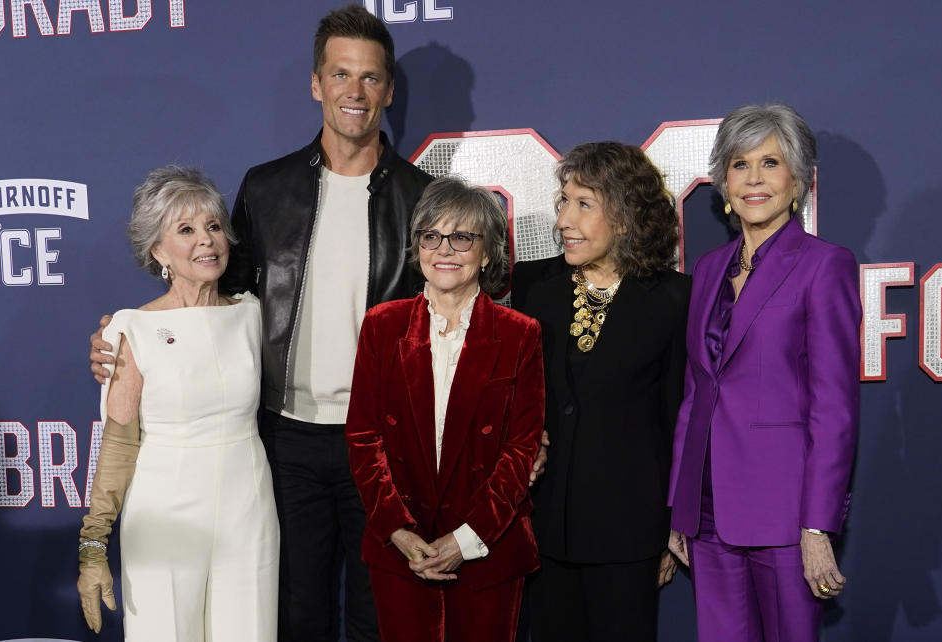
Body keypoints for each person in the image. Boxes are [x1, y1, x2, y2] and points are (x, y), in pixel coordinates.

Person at [90, 7, 431, 640]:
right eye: (339, 75)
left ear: (387, 89)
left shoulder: (421, 199)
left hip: (379, 442)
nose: (354, 93)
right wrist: (124, 338)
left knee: (379, 616)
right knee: (290, 616)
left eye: (370, 78)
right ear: (315, 84)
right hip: (285, 442)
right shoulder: (268, 189)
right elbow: (217, 298)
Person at [666, 103, 861, 642]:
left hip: (783, 513)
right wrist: (681, 508)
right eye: (739, 164)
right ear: (723, 183)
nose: (754, 179)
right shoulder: (707, 269)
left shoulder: (825, 265)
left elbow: (835, 408)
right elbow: (695, 394)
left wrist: (817, 525)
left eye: (770, 163)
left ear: (797, 179)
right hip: (706, 510)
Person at [76, 166, 278, 640]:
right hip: (163, 517)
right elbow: (120, 446)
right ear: (158, 251)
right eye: (185, 230)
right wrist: (93, 546)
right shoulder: (130, 330)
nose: (206, 241)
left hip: (249, 511)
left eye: (212, 227)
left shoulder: (252, 314)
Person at [346, 176, 544, 642]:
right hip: (402, 551)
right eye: (431, 236)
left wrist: (466, 540)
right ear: (417, 248)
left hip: (487, 551)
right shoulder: (382, 325)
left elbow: (522, 448)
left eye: (462, 237)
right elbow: (362, 438)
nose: (444, 250)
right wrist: (398, 531)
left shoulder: (520, 333)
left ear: (489, 250)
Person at [511, 142, 690, 641]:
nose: (565, 219)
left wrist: (667, 531)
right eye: (562, 202)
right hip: (545, 529)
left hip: (628, 533)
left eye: (583, 204)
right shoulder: (532, 286)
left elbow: (676, 421)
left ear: (627, 217)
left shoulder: (674, 300)